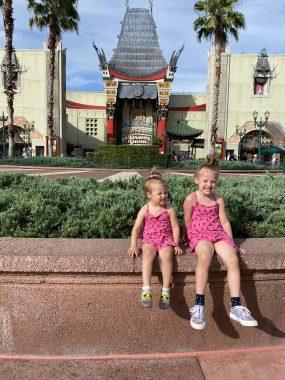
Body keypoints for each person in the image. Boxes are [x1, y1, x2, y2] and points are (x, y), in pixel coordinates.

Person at [183, 155, 258, 330]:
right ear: (196, 180)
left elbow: (224, 222)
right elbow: (187, 222)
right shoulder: (190, 199)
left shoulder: (218, 200)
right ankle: (199, 305)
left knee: (232, 259)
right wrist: (188, 239)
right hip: (200, 236)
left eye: (213, 181)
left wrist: (232, 243)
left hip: (218, 234)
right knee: (205, 258)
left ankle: (236, 306)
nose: (209, 185)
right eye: (205, 181)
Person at [128, 169, 183, 309]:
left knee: (167, 255)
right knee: (147, 254)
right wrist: (134, 245)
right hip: (150, 239)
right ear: (149, 194)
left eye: (165, 193)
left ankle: (165, 290)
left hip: (165, 239)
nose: (164, 196)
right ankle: (146, 289)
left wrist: (176, 244)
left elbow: (176, 227)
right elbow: (136, 228)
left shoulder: (169, 209)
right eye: (160, 193)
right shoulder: (145, 209)